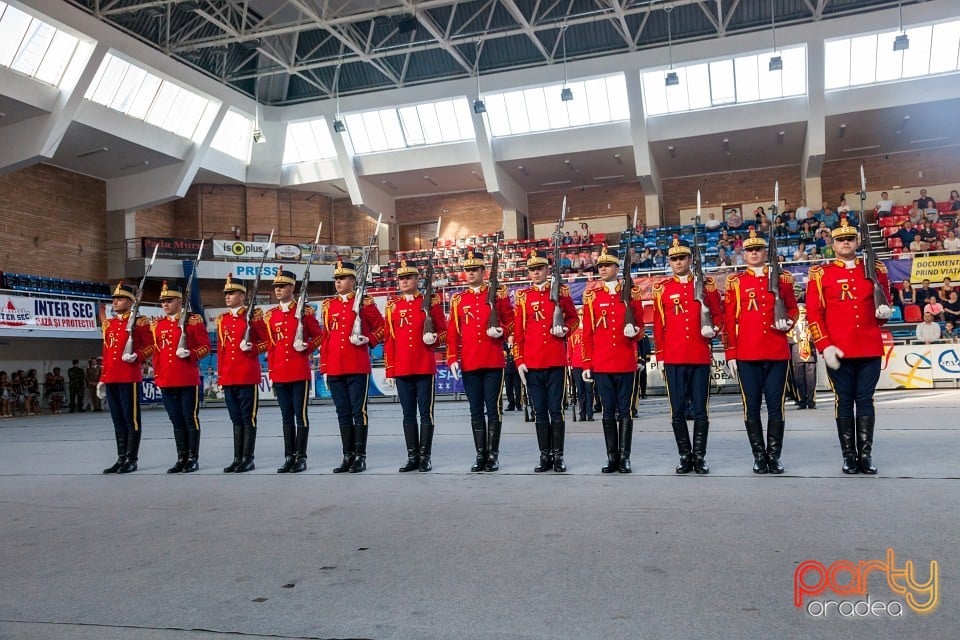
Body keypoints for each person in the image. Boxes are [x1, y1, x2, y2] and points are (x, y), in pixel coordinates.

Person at [805, 218, 892, 475]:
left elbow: (882, 306)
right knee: (843, 400)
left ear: (858, 241)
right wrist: (824, 345)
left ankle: (866, 455)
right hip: (838, 350)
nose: (846, 243)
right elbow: (814, 313)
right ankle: (848, 455)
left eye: (850, 239)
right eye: (841, 240)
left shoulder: (874, 269)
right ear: (832, 244)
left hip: (868, 347)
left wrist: (885, 311)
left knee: (865, 400)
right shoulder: (821, 274)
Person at [723, 229, 799, 473]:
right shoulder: (736, 282)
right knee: (751, 406)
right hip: (747, 354)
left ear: (766, 252)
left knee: (776, 406)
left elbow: (793, 309)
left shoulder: (782, 278)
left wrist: (788, 322)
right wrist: (731, 353)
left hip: (776, 351)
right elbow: (728, 320)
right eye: (749, 250)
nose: (754, 253)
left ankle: (774, 456)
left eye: (758, 249)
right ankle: (758, 455)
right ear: (743, 254)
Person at [653, 238, 723, 474]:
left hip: (699, 355)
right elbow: (659, 325)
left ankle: (699, 456)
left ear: (690, 259)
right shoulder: (663, 288)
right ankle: (685, 455)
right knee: (677, 410)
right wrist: (661, 356)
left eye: (682, 257)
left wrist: (713, 329)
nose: (678, 262)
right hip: (673, 358)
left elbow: (718, 314)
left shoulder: (706, 284)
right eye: (674, 258)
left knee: (701, 410)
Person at [447, 248, 515, 472]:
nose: (470, 273)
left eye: (474, 269)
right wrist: (452, 358)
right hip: (469, 362)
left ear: (484, 271)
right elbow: (453, 332)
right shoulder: (459, 299)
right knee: (475, 410)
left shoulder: (498, 294)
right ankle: (480, 454)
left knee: (492, 409)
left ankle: (493, 454)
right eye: (467, 270)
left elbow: (511, 321)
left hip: (493, 360)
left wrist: (502, 332)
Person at [513, 249, 579, 473]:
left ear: (547, 269)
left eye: (539, 268)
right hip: (532, 362)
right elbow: (519, 333)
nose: (536, 273)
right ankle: (545, 455)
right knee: (539, 411)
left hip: (555, 360)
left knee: (556, 410)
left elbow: (574, 318)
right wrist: (519, 359)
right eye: (532, 270)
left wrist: (565, 331)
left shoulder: (560, 291)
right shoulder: (523, 297)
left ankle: (559, 456)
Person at [581, 246, 645, 473]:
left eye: (608, 265)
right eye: (600, 266)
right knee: (607, 412)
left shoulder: (631, 292)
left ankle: (625, 457)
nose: (603, 269)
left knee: (625, 412)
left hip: (625, 360)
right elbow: (587, 332)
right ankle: (612, 457)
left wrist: (634, 332)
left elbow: (641, 327)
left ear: (618, 268)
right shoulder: (592, 296)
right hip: (602, 362)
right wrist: (587, 363)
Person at [321, 260, 385, 473]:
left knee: (359, 412)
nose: (338, 283)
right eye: (336, 279)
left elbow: (382, 328)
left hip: (357, 365)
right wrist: (324, 367)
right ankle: (347, 455)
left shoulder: (364, 303)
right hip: (335, 367)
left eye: (342, 279)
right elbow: (326, 337)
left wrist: (368, 340)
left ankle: (360, 456)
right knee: (342, 413)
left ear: (353, 281)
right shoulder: (329, 306)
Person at [383, 260, 447, 472]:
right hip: (402, 368)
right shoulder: (393, 306)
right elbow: (389, 340)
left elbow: (444, 331)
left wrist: (434, 339)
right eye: (401, 278)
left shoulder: (430, 302)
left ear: (417, 279)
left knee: (425, 413)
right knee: (407, 414)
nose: (404, 281)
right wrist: (390, 369)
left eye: (408, 277)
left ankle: (425, 456)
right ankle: (412, 456)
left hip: (423, 366)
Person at [265, 270, 322, 473]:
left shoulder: (304, 312)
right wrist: (271, 373)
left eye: (282, 286)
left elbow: (319, 336)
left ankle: (301, 456)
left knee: (301, 416)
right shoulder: (270, 315)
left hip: (298, 371)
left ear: (292, 288)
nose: (277, 290)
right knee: (286, 417)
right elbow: (271, 347)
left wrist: (306, 346)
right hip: (280, 373)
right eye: (275, 287)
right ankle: (289, 456)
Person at [152, 281, 211, 473]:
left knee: (189, 418)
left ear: (179, 301)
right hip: (167, 379)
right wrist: (158, 375)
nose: (165, 304)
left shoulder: (193, 321)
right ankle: (181, 457)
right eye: (163, 301)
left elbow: (205, 347)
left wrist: (192, 354)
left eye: (169, 300)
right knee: (175, 420)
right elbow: (157, 354)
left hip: (186, 378)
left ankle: (193, 458)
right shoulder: (158, 325)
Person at [100, 282, 155, 474]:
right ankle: (121, 457)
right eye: (114, 299)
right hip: (112, 377)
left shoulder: (139, 322)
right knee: (117, 420)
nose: (115, 302)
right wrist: (102, 377)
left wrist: (137, 357)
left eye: (120, 298)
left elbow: (151, 346)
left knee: (131, 419)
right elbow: (106, 353)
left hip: (128, 376)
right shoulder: (110, 324)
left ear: (131, 302)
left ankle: (132, 459)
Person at [217, 274, 268, 473]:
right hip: (229, 376)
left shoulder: (253, 317)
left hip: (246, 374)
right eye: (226, 293)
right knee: (235, 419)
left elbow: (266, 342)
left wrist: (252, 348)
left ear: (242, 295)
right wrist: (221, 376)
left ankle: (248, 458)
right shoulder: (223, 320)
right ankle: (237, 457)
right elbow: (221, 350)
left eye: (232, 293)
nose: (227, 296)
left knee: (248, 418)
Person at [788, 306, 817, 410]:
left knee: (811, 380)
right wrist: (799, 338)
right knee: (799, 380)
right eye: (800, 313)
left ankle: (811, 401)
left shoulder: (811, 325)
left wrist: (810, 338)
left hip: (810, 355)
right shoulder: (792, 326)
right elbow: (788, 339)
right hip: (798, 355)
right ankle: (801, 401)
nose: (802, 315)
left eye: (804, 313)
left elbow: (818, 336)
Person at [568, 309, 593, 422]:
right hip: (577, 364)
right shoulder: (573, 332)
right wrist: (569, 362)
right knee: (580, 390)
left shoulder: (590, 331)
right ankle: (582, 413)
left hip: (588, 364)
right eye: (580, 315)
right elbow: (570, 349)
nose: (581, 317)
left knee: (589, 390)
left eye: (583, 315)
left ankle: (590, 413)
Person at [503, 339, 522, 411]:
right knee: (508, 388)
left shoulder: (516, 343)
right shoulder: (504, 343)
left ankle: (518, 404)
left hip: (515, 368)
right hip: (507, 368)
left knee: (517, 388)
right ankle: (511, 404)